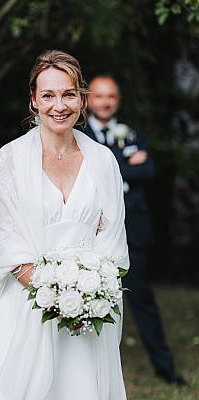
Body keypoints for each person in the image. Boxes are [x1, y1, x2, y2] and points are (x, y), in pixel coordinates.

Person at [0, 51, 129, 400]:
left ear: (82, 98)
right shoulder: (11, 158)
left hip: (88, 313)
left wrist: (86, 298)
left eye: (69, 94)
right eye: (48, 95)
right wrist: (57, 296)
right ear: (33, 100)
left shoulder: (103, 160)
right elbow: (8, 240)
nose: (59, 105)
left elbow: (112, 237)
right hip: (26, 304)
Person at [84, 75, 186, 386]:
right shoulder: (79, 135)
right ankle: (86, 374)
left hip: (133, 229)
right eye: (99, 96)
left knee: (142, 298)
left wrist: (116, 164)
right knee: (86, 295)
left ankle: (165, 368)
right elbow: (90, 171)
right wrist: (124, 162)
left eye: (111, 96)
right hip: (90, 230)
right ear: (88, 99)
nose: (105, 102)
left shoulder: (131, 133)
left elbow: (148, 170)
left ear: (118, 100)